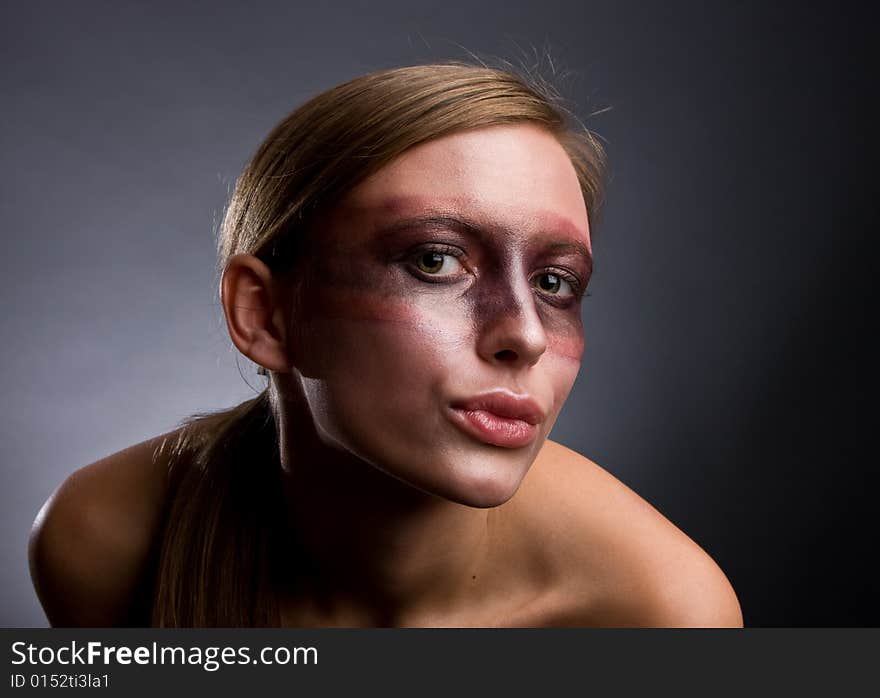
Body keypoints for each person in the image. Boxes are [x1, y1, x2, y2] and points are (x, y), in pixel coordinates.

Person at [28, 62, 743, 628]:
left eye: (556, 282)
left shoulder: (662, 613)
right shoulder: (107, 545)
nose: (524, 334)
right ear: (265, 314)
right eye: (434, 260)